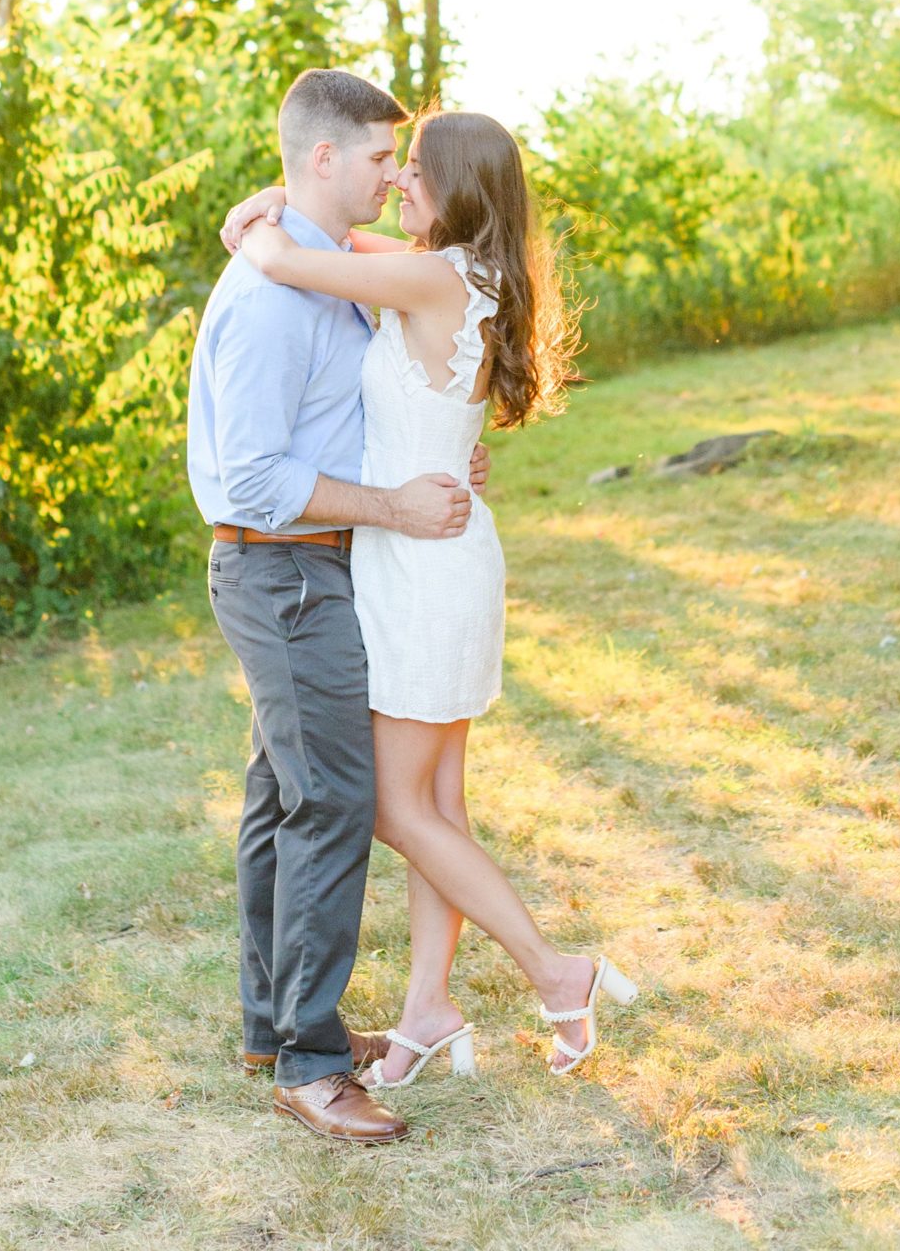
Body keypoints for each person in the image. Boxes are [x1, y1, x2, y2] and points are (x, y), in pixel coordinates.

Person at [221, 103, 638, 1098]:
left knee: (399, 810)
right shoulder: (467, 273)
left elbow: (293, 262)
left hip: (418, 562)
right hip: (444, 552)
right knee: (438, 804)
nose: (399, 181)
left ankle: (552, 971)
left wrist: (258, 225)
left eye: (414, 170)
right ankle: (425, 1007)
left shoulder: (428, 273)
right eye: (390, 165)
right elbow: (334, 235)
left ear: (454, 191)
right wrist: (281, 196)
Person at [186, 68, 492, 1148]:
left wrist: (431, 467)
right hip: (281, 569)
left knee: (283, 795)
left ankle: (273, 1027)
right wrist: (394, 508)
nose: (390, 176)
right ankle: (312, 1065)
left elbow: (355, 411)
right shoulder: (272, 300)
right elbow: (262, 477)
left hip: (319, 564)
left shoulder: (325, 274)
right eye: (376, 158)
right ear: (322, 158)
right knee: (329, 802)